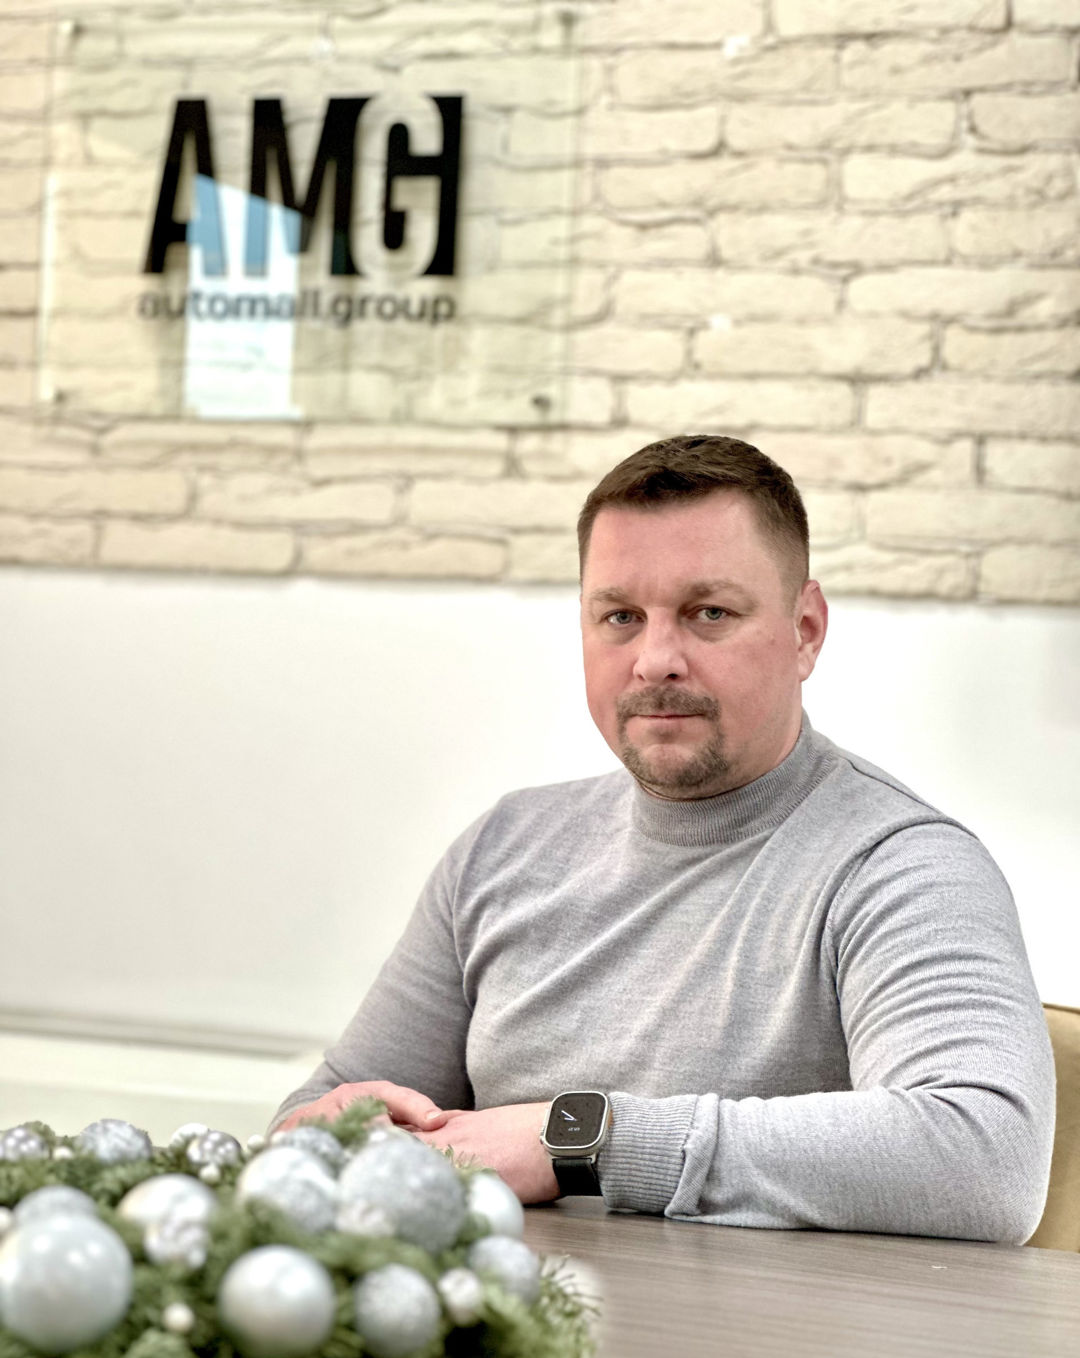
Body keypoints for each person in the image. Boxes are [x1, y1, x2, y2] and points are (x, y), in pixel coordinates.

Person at [272, 434, 1054, 1242]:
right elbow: (320, 1114)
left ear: (806, 631)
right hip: (503, 1316)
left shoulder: (902, 866)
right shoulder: (500, 850)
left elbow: (986, 1160)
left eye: (708, 613)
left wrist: (578, 1140)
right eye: (620, 617)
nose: (655, 661)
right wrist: (321, 1128)